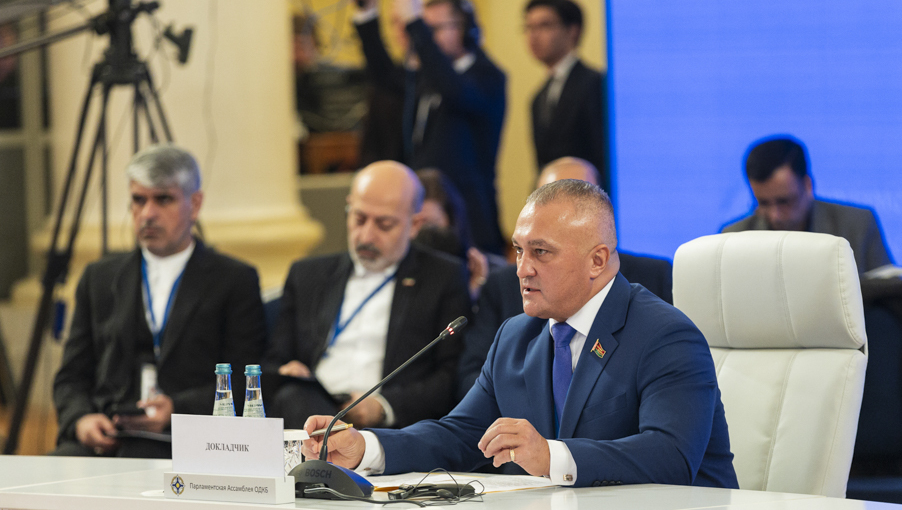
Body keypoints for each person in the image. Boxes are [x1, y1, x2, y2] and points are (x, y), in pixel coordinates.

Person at [303, 179, 737, 489]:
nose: (522, 269)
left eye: (541, 252)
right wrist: (366, 447)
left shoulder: (665, 335)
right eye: (518, 250)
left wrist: (551, 456)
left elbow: (670, 456)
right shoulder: (517, 336)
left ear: (597, 260)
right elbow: (461, 435)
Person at [52, 145, 266, 458]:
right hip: (107, 437)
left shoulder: (234, 280)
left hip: (192, 441)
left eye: (163, 199)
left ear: (195, 204)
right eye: (139, 200)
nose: (148, 213)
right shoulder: (99, 278)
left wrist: (177, 408)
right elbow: (71, 376)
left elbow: (251, 378)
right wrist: (81, 419)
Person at [266, 161, 471, 431]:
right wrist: (287, 370)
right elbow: (273, 361)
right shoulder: (308, 275)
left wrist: (383, 407)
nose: (366, 236)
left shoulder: (443, 277)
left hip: (386, 427)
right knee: (294, 399)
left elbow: (449, 376)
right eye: (359, 219)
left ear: (414, 224)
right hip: (311, 404)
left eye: (384, 225)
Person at [455, 157, 673, 398]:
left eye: (578, 198)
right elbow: (471, 394)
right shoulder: (511, 328)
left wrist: (538, 426)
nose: (523, 270)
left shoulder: (658, 307)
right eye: (518, 250)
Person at [352, 0, 507, 255]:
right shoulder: (432, 76)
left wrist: (414, 22)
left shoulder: (487, 77)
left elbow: (455, 91)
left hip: (470, 218)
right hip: (425, 212)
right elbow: (385, 77)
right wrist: (367, 11)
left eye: (434, 29)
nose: (425, 37)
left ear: (466, 30)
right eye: (426, 27)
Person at [723, 136, 892, 273]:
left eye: (784, 201)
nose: (775, 215)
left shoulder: (857, 225)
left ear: (808, 185)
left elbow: (889, 295)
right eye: (763, 203)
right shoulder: (733, 240)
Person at [524, 0, 605, 179]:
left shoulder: (595, 84)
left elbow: (602, 154)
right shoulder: (539, 96)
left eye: (544, 26)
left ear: (572, 31)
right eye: (529, 27)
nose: (533, 36)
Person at [412, 168, 504, 302]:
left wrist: (476, 289)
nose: (419, 231)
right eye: (414, 223)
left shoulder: (494, 271)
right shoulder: (397, 272)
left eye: (429, 224)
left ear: (452, 219)